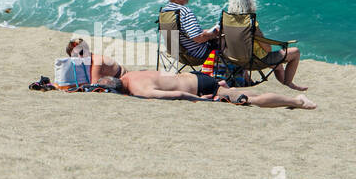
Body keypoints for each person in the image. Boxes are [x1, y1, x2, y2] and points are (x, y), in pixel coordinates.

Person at [225, 0, 307, 91]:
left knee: (278, 66)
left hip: (234, 58)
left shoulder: (226, 21)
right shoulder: (250, 23)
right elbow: (267, 49)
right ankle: (289, 83)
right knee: (295, 52)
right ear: (248, 3)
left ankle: (287, 85)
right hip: (255, 60)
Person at [95, 71, 316, 109]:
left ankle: (296, 101)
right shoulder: (130, 75)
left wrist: (206, 101)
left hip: (203, 86)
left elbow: (178, 95)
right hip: (198, 76)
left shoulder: (141, 91)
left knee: (247, 99)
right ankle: (292, 101)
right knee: (240, 93)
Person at [161, 0, 219, 66]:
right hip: (195, 56)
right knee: (224, 40)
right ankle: (228, 73)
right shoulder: (184, 11)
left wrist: (204, 33)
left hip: (177, 54)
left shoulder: (164, 12)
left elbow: (185, 34)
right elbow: (198, 39)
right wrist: (213, 34)